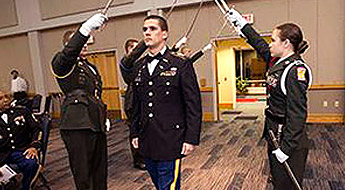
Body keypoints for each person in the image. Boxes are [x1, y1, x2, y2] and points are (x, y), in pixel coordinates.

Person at [227, 8, 312, 190]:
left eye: (273, 40)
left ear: (286, 43)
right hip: (274, 130)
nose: (270, 44)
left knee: (287, 184)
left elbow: (297, 115)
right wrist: (242, 24)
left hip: (288, 135)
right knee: (277, 178)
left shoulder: (295, 71)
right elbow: (259, 43)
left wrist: (286, 148)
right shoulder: (276, 60)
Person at [130, 15, 202, 190]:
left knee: (168, 186)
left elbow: (193, 104)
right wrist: (134, 133)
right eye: (145, 29)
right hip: (147, 138)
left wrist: (191, 138)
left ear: (164, 34)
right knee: (158, 184)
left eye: (152, 29)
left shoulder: (180, 64)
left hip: (171, 139)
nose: (147, 32)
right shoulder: (138, 66)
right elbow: (135, 104)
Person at [51, 13, 108, 190]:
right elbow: (68, 54)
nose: (86, 46)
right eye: (82, 43)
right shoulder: (62, 63)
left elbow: (96, 94)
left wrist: (103, 117)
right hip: (77, 123)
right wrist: (85, 28)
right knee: (83, 171)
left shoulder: (89, 65)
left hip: (94, 120)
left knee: (100, 169)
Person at [0, 91, 41, 190]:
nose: (5, 100)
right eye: (1, 98)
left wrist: (34, 146)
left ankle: (26, 187)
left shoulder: (22, 111)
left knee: (31, 164)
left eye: (7, 97)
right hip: (2, 154)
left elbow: (36, 129)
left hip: (21, 150)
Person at [120, 38, 147, 170]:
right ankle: (137, 159)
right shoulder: (126, 64)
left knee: (144, 130)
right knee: (134, 131)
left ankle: (145, 155)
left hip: (141, 100)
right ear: (128, 50)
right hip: (132, 102)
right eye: (134, 48)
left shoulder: (140, 63)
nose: (137, 51)